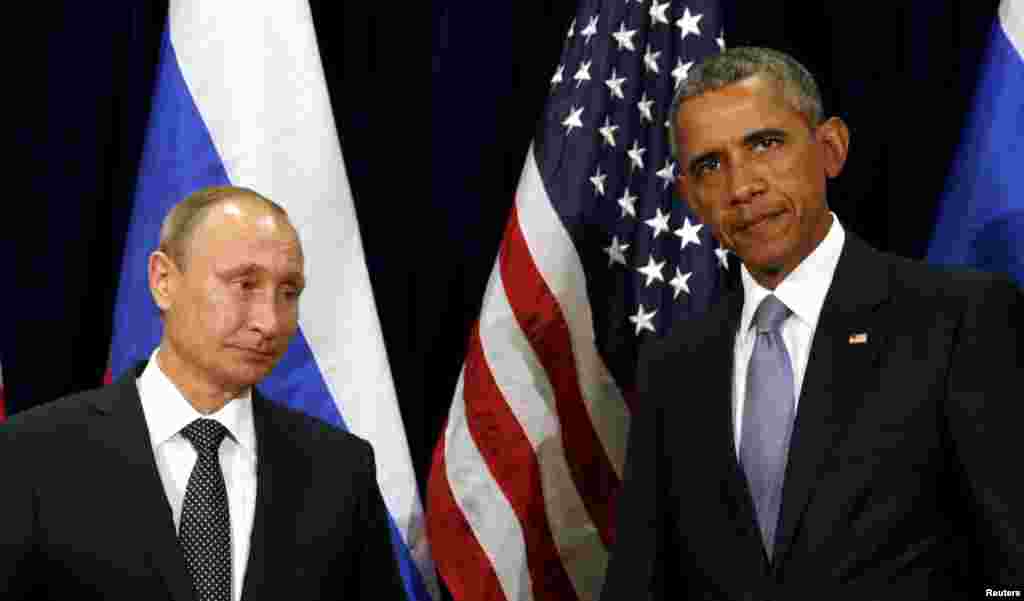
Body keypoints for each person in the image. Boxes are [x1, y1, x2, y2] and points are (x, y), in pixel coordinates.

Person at [601, 47, 1023, 599]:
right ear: (689, 197)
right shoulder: (675, 366)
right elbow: (640, 582)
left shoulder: (956, 320)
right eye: (710, 165)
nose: (741, 186)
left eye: (765, 145)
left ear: (830, 149)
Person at [0, 186, 405, 600]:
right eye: (244, 285)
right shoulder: (30, 456)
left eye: (288, 293)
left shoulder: (339, 471)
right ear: (163, 281)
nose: (269, 321)